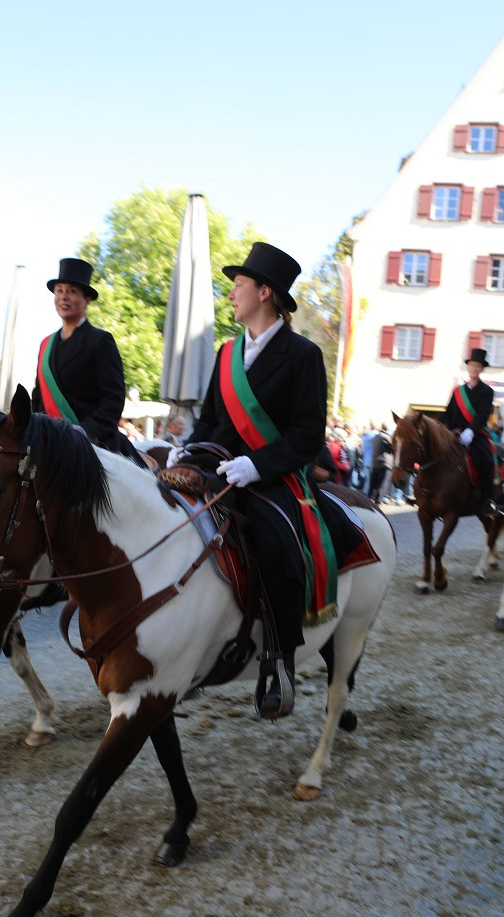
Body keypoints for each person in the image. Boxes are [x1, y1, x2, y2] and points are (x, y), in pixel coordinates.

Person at [172, 242, 361, 717]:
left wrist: (257, 465)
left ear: (264, 292)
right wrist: (187, 450)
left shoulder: (303, 355)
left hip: (273, 477)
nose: (231, 294)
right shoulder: (226, 353)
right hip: (219, 470)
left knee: (275, 543)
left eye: (238, 286)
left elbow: (306, 435)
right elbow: (213, 419)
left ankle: (278, 659)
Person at [31, 257, 142, 464]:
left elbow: (113, 398)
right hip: (50, 445)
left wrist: (83, 432)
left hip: (95, 447)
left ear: (86, 300)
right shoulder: (46, 345)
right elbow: (38, 398)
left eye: (72, 291)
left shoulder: (100, 340)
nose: (64, 297)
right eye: (60, 290)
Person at [444, 348, 504, 518]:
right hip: (454, 434)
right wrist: (441, 427)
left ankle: (488, 500)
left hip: (476, 434)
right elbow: (448, 412)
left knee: (486, 461)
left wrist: (470, 431)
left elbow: (483, 414)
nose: (474, 369)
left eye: (478, 366)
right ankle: (423, 493)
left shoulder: (487, 391)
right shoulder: (458, 391)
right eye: (472, 365)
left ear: (482, 369)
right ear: (468, 367)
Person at [369, 423, 393, 505]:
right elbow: (394, 447)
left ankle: (370, 498)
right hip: (385, 463)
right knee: (382, 484)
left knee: (373, 483)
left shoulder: (376, 436)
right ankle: (378, 501)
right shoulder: (386, 437)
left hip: (375, 463)